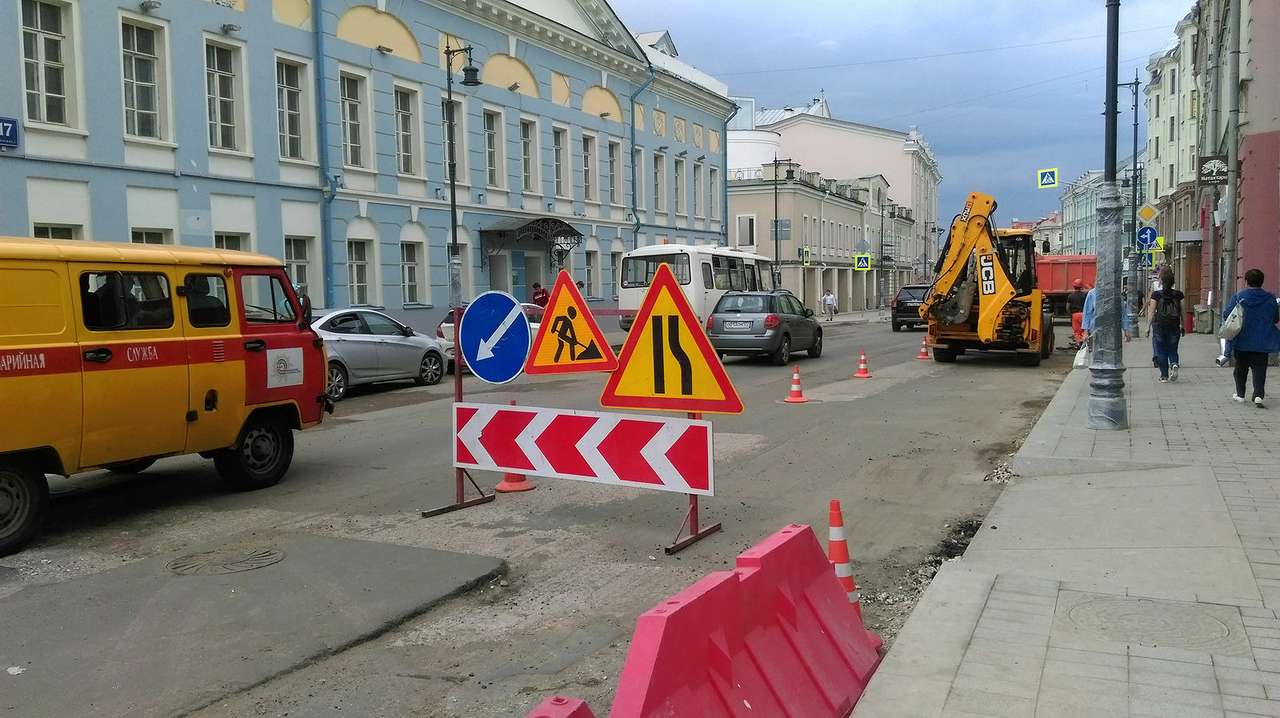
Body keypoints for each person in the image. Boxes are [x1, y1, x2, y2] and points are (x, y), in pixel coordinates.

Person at [1222, 268, 1280, 408]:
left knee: (1241, 368)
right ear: (1261, 282)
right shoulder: (1270, 298)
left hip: (1242, 339)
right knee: (1260, 369)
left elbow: (1227, 315)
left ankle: (1240, 394)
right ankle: (1258, 395)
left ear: (1246, 281)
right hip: (1262, 341)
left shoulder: (1239, 297)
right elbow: (1276, 318)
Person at [1146, 269, 1184, 383]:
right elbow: (1182, 310)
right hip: (1174, 325)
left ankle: (1164, 376)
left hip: (1159, 326)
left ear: (1161, 281)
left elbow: (1151, 312)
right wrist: (1182, 324)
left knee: (1161, 350)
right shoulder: (1178, 294)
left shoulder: (1156, 295)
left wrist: (1147, 327)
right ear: (1173, 281)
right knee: (1173, 349)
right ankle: (1174, 363)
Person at [1068, 278, 1088, 346]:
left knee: (1077, 331)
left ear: (1074, 286)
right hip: (1084, 314)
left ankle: (1079, 344)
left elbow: (1067, 307)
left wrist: (1070, 314)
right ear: (1081, 286)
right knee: (1084, 329)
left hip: (1075, 315)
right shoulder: (1085, 295)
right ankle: (1084, 343)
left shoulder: (1070, 296)